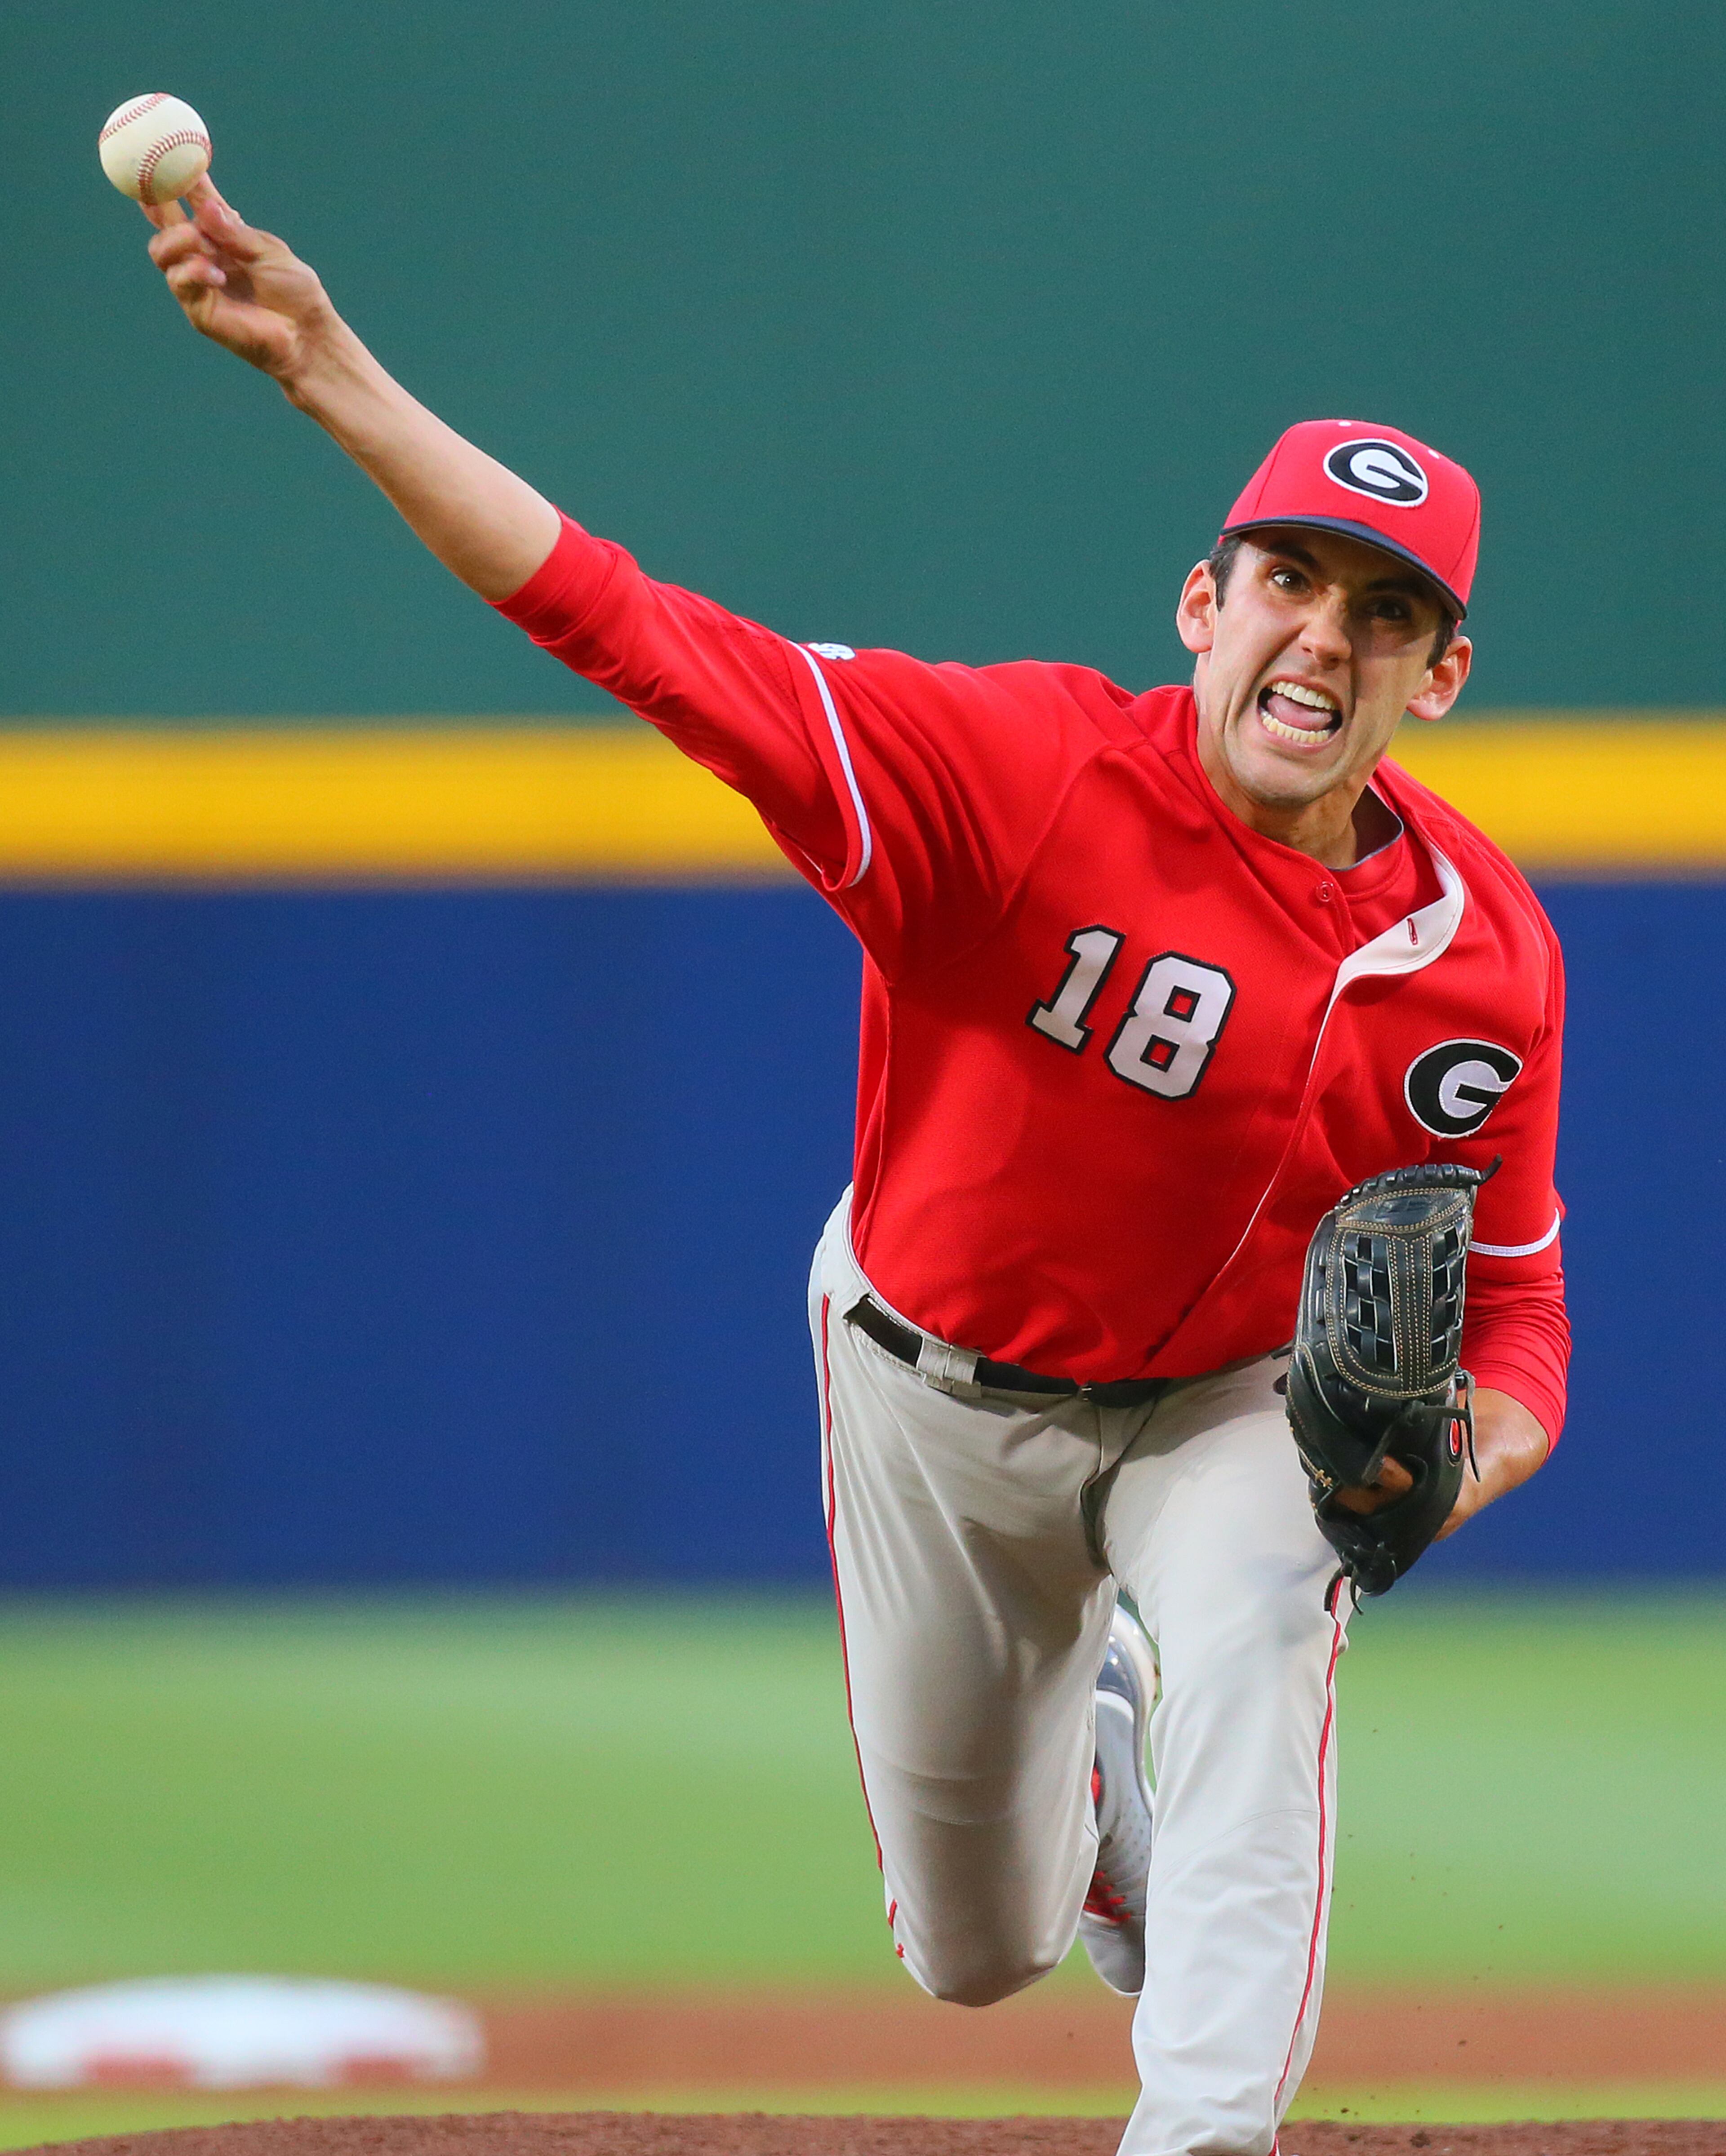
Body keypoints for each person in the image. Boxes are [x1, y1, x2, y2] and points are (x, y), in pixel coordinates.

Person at [142, 181, 1568, 2156]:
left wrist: (1466, 1458)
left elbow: (1517, 1302)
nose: (1327, 632)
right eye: (1290, 581)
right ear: (1201, 607)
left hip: (1232, 1405)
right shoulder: (1016, 773)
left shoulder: (1481, 953)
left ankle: (1205, 2131)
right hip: (932, 1382)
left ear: (1441, 678)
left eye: (1386, 608)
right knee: (971, 1952)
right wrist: (335, 374)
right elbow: (629, 623)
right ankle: (1096, 1793)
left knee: (1264, 1601)